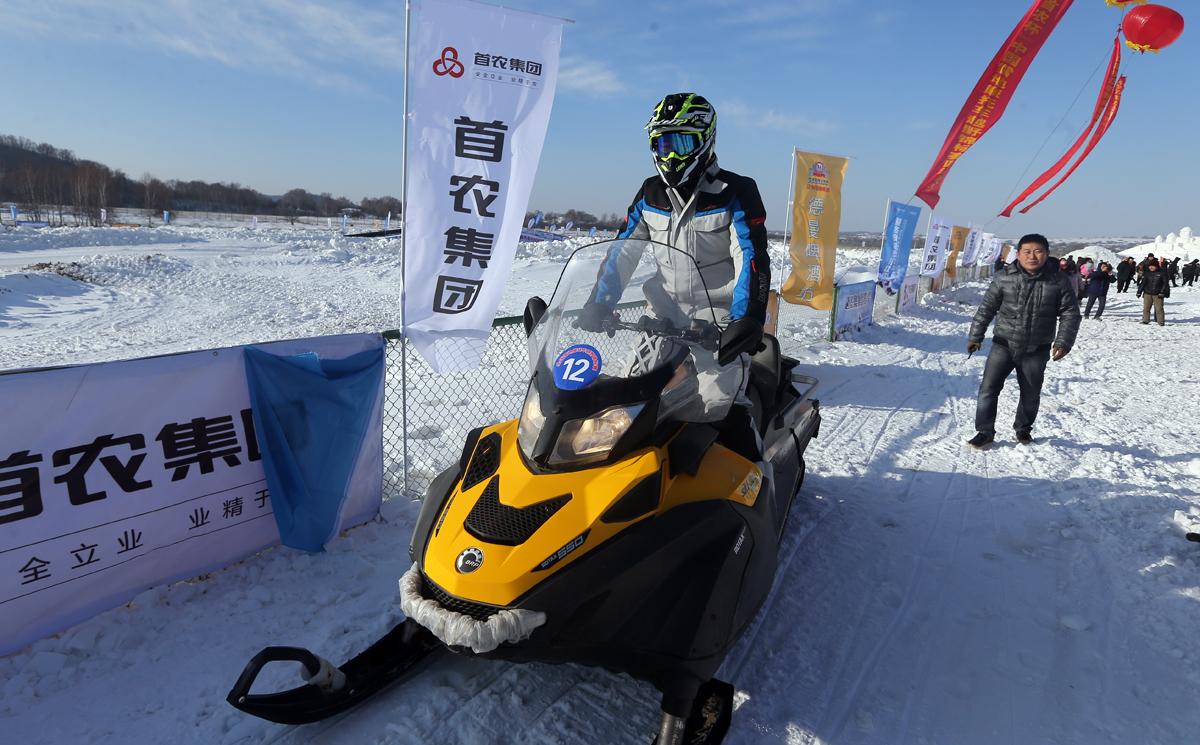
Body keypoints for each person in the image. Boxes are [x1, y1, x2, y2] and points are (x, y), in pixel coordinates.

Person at [578, 93, 770, 430]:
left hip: (719, 320)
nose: (670, 155)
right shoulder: (650, 193)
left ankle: (757, 472)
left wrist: (746, 318)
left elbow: (752, 257)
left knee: (721, 408)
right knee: (627, 396)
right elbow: (623, 251)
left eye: (681, 143)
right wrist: (599, 301)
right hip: (663, 315)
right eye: (662, 144)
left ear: (705, 140)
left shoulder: (735, 191)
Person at [965, 234, 1080, 448]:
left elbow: (1070, 313)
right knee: (988, 389)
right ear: (1018, 254)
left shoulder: (1058, 280)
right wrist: (975, 336)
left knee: (1031, 392)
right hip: (1003, 344)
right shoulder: (1003, 277)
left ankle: (1023, 429)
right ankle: (984, 431)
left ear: (1046, 254)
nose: (1032, 256)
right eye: (1027, 251)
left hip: (1037, 348)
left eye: (1038, 251)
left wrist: (1064, 341)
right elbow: (986, 309)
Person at [1140, 258, 1170, 325]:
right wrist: (1139, 291)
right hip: (1147, 293)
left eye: (1153, 266)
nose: (1151, 267)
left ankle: (1161, 321)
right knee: (1146, 308)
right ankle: (1145, 320)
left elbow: (1165, 284)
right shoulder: (1147, 273)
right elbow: (1143, 283)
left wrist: (1162, 292)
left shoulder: (1162, 273)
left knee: (1159, 308)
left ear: (1156, 266)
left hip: (1158, 294)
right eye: (1150, 266)